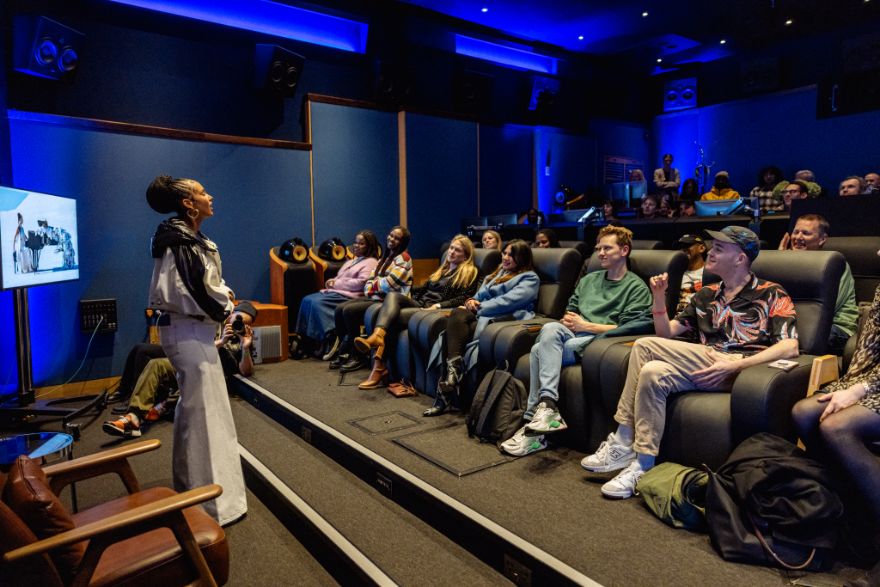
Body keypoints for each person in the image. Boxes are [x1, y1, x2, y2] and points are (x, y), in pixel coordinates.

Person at [581, 226, 798, 499]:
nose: (711, 251)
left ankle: (624, 438)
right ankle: (642, 465)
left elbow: (790, 346)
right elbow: (666, 333)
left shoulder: (771, 293)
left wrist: (736, 365)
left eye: (720, 248)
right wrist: (659, 297)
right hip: (706, 366)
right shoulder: (705, 294)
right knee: (651, 371)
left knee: (645, 345)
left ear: (740, 258)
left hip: (745, 371)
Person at [145, 174, 246, 526]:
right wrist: (228, 307)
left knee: (197, 414)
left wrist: (225, 298)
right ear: (188, 204)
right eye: (203, 192)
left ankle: (196, 494)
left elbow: (206, 284)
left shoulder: (189, 238)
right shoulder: (180, 240)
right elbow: (199, 290)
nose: (210, 195)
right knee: (206, 418)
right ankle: (213, 507)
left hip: (194, 331)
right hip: (189, 331)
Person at [500, 226, 652, 456]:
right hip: (573, 334)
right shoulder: (589, 279)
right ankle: (547, 407)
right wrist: (569, 321)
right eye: (598, 248)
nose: (600, 253)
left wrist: (587, 326)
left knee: (538, 350)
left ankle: (534, 426)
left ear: (624, 250)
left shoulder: (636, 287)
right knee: (550, 327)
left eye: (607, 248)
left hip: (601, 340)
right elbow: (570, 311)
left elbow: (633, 326)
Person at [791, 271, 880, 584]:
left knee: (837, 426)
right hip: (872, 383)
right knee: (804, 412)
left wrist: (859, 391)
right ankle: (854, 518)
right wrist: (848, 384)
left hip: (873, 387)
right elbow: (869, 346)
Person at [103, 302, 258, 437]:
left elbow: (246, 372)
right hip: (190, 360)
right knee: (156, 364)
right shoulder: (214, 322)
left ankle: (160, 406)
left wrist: (245, 348)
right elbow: (197, 347)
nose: (238, 324)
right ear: (232, 314)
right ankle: (134, 415)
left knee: (193, 378)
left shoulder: (244, 339)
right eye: (237, 318)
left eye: (244, 323)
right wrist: (222, 341)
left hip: (209, 374)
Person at [424, 239, 539, 417]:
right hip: (482, 313)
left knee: (454, 329)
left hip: (505, 316)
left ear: (522, 258)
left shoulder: (529, 277)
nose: (506, 257)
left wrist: (479, 307)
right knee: (455, 320)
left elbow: (510, 301)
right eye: (505, 253)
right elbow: (478, 295)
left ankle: (446, 393)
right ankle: (453, 374)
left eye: (511, 254)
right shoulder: (496, 274)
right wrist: (471, 301)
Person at [354, 235, 481, 390]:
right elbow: (423, 288)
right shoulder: (443, 269)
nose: (452, 252)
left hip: (431, 310)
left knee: (393, 318)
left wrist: (439, 306)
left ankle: (379, 365)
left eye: (457, 250)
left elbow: (463, 298)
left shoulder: (470, 272)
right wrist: (405, 288)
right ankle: (378, 339)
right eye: (451, 248)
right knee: (392, 296)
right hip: (420, 304)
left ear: (466, 256)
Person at [332, 226, 413, 372]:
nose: (391, 239)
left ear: (403, 242)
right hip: (376, 298)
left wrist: (374, 285)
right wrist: (375, 285)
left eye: (396, 238)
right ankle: (346, 350)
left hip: (392, 302)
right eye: (390, 235)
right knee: (340, 309)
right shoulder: (386, 257)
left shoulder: (404, 259)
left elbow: (389, 285)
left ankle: (358, 357)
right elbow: (368, 284)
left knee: (350, 311)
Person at [292, 230, 380, 359]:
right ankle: (307, 339)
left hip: (351, 296)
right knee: (307, 300)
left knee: (316, 303)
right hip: (337, 292)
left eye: (361, 244)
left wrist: (336, 284)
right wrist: (332, 282)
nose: (356, 245)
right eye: (355, 242)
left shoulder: (371, 262)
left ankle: (329, 338)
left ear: (369, 246)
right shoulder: (351, 261)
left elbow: (361, 283)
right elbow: (338, 279)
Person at [779, 214, 858, 353]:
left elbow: (827, 307)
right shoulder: (786, 264)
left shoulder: (834, 265)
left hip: (835, 326)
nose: (798, 237)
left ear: (822, 239)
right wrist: (779, 260)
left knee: (803, 340)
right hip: (797, 324)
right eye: (796, 232)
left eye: (806, 233)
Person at [676, 235, 706, 313]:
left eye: (687, 246)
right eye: (681, 247)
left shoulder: (712, 273)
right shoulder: (675, 271)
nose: (683, 249)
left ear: (701, 248)